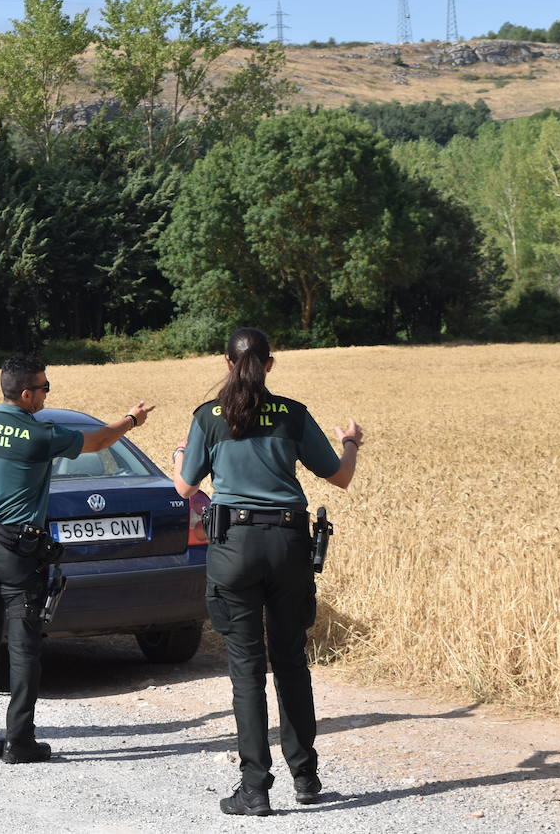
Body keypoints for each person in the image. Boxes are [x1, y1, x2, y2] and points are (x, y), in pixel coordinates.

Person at [172, 328, 362, 816]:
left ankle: (254, 788)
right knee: (291, 661)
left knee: (246, 669)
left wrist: (178, 458)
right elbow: (339, 478)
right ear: (269, 365)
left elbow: (185, 486)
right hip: (287, 545)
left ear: (227, 363)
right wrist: (351, 444)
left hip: (234, 546)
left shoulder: (209, 416)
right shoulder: (292, 414)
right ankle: (306, 775)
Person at [0, 355, 154, 763]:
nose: (47, 393)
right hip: (17, 555)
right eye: (44, 387)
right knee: (23, 648)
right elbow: (99, 441)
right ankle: (19, 741)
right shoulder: (38, 435)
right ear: (25, 393)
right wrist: (131, 419)